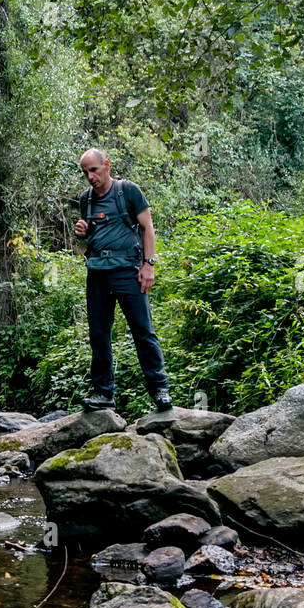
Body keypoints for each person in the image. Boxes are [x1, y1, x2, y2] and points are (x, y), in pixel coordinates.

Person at [73, 148, 172, 412]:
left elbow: (147, 227)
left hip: (128, 270)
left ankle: (160, 390)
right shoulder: (86, 199)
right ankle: (103, 393)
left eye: (93, 170)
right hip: (97, 272)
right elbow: (90, 232)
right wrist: (82, 231)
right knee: (99, 334)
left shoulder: (128, 191)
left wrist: (148, 265)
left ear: (105, 165)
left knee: (143, 331)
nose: (90, 176)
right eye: (85, 173)